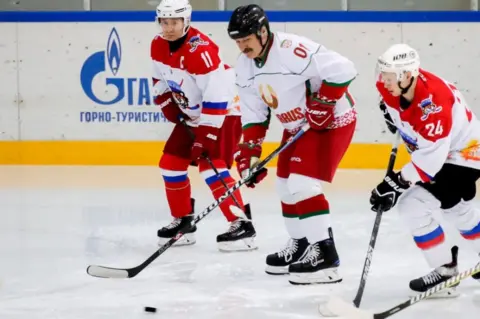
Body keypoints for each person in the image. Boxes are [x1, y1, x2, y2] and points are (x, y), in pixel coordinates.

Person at [227, 4, 357, 285]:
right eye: (237, 41)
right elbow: (254, 113)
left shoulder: (289, 49)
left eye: (246, 39)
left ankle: (326, 256)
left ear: (263, 32)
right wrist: (250, 153)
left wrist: (324, 103)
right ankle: (301, 243)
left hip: (331, 120)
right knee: (284, 184)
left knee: (302, 183)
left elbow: (345, 68)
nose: (242, 46)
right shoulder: (244, 65)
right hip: (297, 126)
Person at [371, 43, 480, 296]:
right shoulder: (392, 85)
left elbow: (431, 161)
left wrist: (395, 184)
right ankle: (446, 269)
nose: (383, 82)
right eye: (383, 75)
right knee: (457, 209)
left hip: (463, 155)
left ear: (407, 76)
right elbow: (392, 105)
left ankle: (444, 272)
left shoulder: (435, 105)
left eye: (389, 77)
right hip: (446, 151)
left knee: (413, 205)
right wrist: (392, 116)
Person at [151, 0, 256, 252]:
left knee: (212, 168)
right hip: (192, 114)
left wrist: (206, 133)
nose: (169, 27)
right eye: (164, 22)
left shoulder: (201, 50)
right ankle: (183, 221)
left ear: (186, 21)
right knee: (170, 164)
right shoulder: (157, 44)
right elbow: (158, 75)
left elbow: (218, 93)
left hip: (223, 112)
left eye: (174, 22)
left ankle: (241, 224)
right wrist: (165, 100)